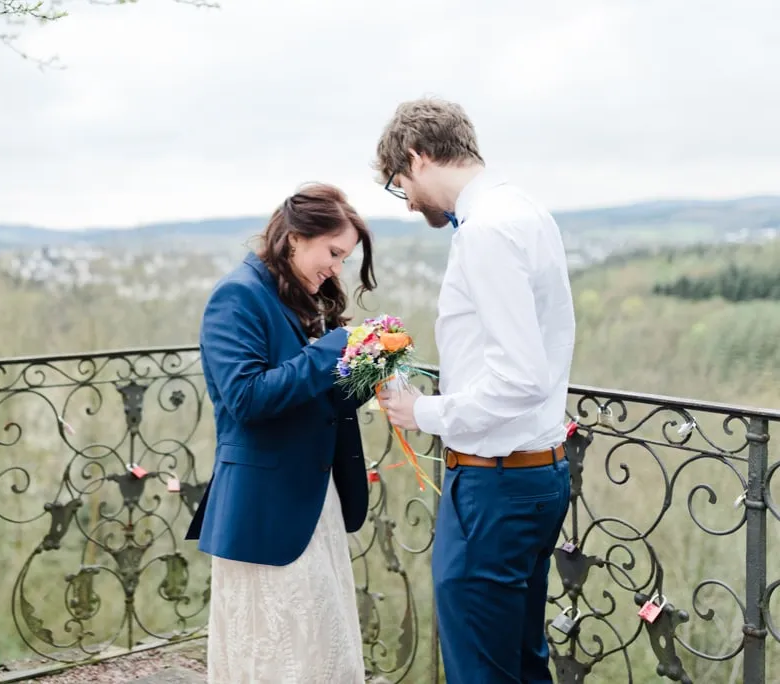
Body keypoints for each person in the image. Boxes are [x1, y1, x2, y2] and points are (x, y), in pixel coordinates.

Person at [374, 98, 575, 684]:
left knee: (480, 671)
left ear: (417, 156)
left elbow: (520, 377)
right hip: (536, 474)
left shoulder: (486, 229)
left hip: (495, 487)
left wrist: (423, 411)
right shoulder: (526, 210)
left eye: (399, 184)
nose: (407, 202)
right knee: (523, 664)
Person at [185, 182, 377, 683]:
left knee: (319, 648)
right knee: (276, 658)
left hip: (314, 500)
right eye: (333, 253)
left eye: (344, 258)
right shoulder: (238, 295)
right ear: (295, 237)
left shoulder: (295, 296)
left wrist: (364, 372)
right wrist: (331, 349)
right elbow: (246, 398)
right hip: (265, 511)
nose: (337, 268)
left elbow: (313, 402)